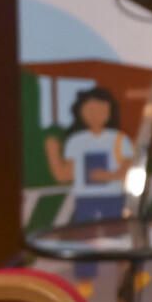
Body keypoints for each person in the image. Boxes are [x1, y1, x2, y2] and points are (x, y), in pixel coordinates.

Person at [48, 86, 135, 223]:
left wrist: (107, 176)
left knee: (114, 236)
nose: (96, 115)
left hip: (112, 198)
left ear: (110, 112)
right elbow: (64, 175)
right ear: (80, 111)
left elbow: (130, 171)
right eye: (91, 110)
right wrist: (52, 153)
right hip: (84, 199)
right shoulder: (75, 141)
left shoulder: (119, 139)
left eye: (102, 111)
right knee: (85, 238)